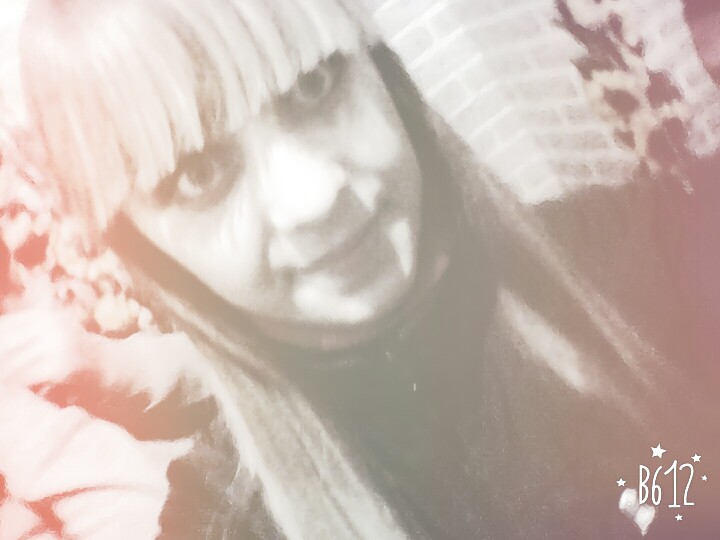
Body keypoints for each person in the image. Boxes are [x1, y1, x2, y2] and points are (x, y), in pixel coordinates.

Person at [11, 0, 720, 538]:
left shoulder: (652, 249)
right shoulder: (225, 524)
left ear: (385, 76)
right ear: (151, 258)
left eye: (314, 86)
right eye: (197, 174)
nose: (314, 196)